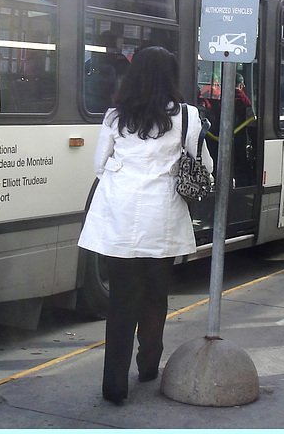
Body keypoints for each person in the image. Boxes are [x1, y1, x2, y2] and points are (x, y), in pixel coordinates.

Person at [78, 47, 214, 405]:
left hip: (119, 218)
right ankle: (149, 365)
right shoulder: (187, 117)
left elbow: (98, 165)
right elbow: (205, 167)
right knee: (155, 294)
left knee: (122, 299)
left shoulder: (114, 117)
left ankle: (114, 385)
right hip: (163, 218)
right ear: (171, 76)